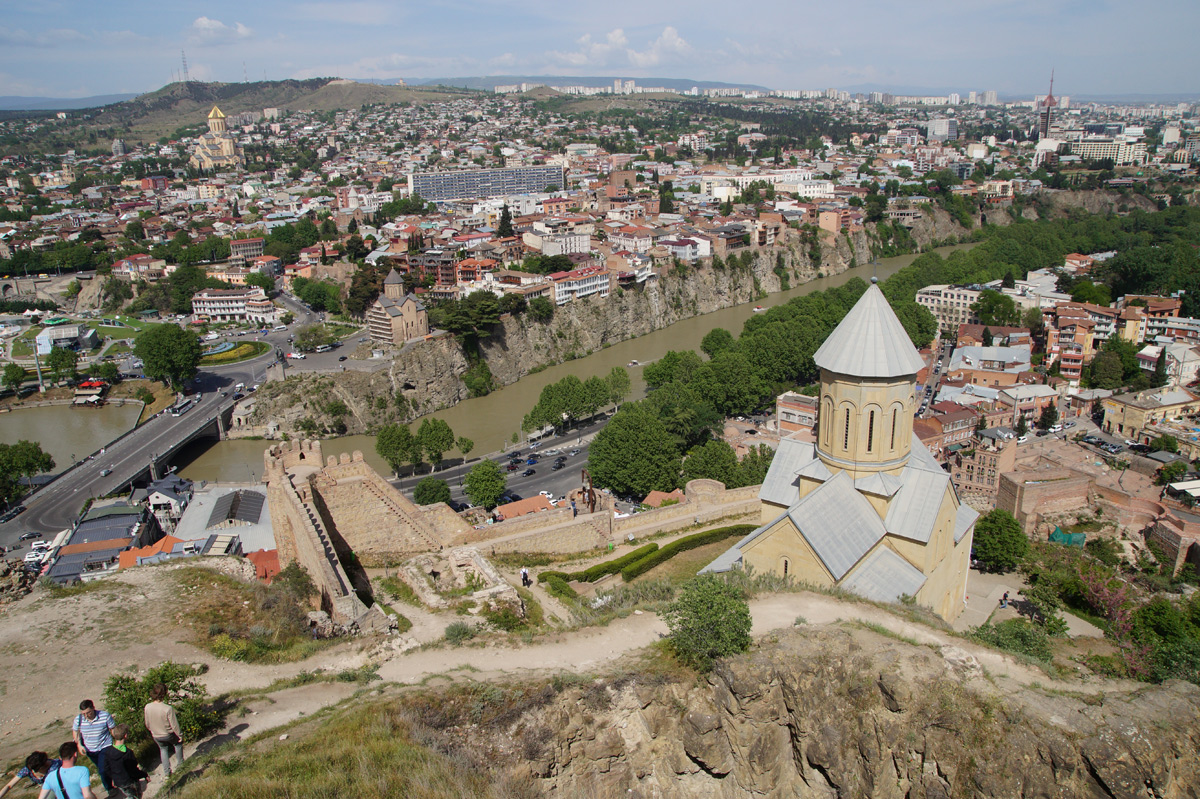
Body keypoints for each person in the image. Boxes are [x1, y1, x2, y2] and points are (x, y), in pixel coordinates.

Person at [71, 700, 115, 793]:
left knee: (102, 770)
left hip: (105, 746)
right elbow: (75, 732)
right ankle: (114, 777)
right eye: (84, 714)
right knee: (102, 767)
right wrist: (79, 745)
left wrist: (118, 741)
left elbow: (112, 729)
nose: (86, 716)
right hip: (90, 749)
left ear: (93, 708)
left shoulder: (105, 716)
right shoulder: (79, 719)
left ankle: (110, 788)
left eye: (88, 712)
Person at [143, 684, 184, 777]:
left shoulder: (147, 707)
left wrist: (153, 731)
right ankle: (181, 765)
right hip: (168, 734)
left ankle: (167, 773)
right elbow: (174, 725)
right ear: (164, 693)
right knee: (178, 744)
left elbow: (147, 723)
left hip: (156, 735)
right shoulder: (167, 708)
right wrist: (180, 735)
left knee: (163, 749)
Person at [102, 724, 147, 798]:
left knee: (129, 795)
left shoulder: (108, 751)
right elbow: (133, 770)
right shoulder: (128, 753)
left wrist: (114, 777)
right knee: (136, 796)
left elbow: (106, 768)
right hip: (130, 781)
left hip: (118, 782)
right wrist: (144, 774)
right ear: (125, 735)